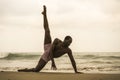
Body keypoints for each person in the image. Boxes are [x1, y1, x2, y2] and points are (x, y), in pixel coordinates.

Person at [18, 5, 81, 73]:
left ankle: (24, 70)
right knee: (47, 30)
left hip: (47, 56)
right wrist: (53, 63)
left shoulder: (68, 50)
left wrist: (76, 71)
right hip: (48, 49)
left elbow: (72, 60)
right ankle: (44, 14)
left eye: (70, 43)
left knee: (36, 70)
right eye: (69, 42)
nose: (69, 44)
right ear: (65, 39)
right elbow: (51, 50)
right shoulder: (57, 41)